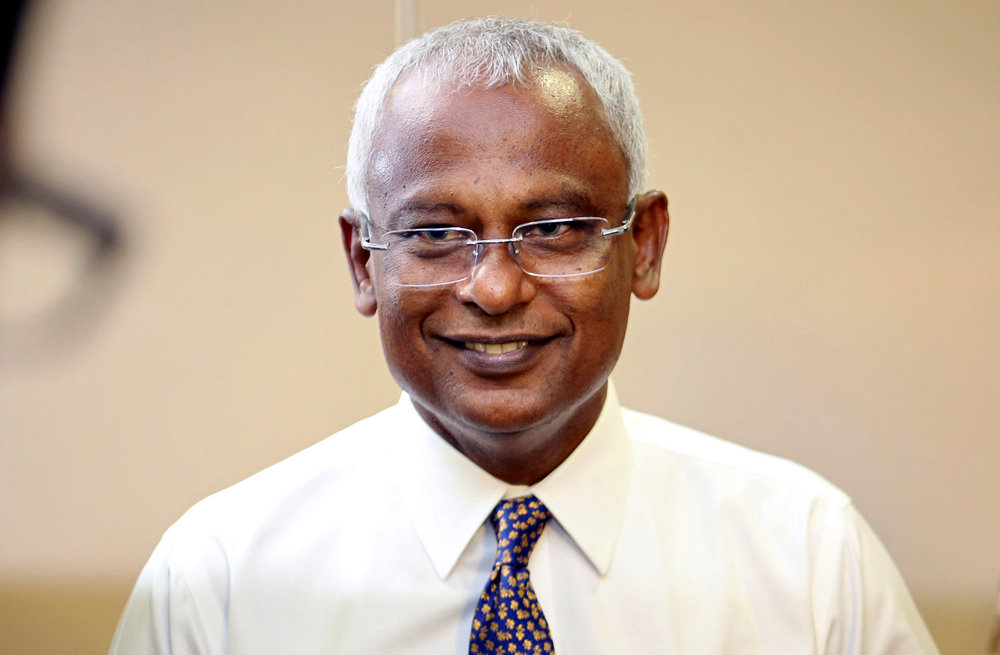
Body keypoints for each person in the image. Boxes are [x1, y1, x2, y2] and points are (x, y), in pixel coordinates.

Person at [109, 17, 938, 654]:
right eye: (436, 233)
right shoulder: (219, 582)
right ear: (363, 261)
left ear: (645, 246)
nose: (496, 288)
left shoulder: (808, 559)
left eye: (554, 229)